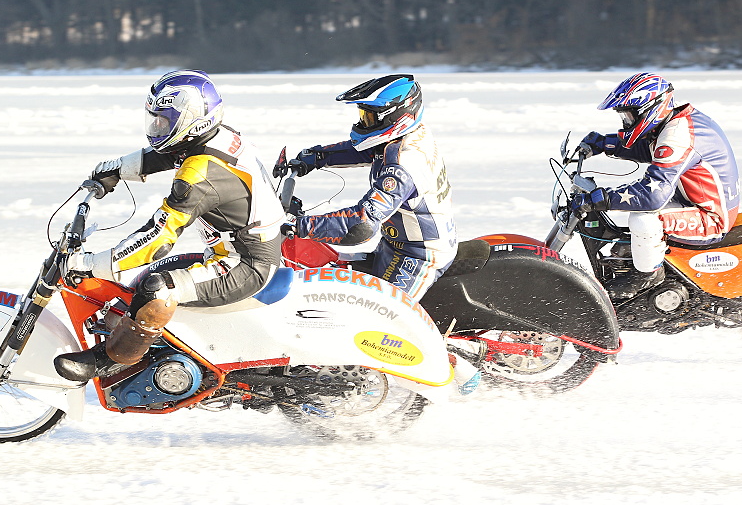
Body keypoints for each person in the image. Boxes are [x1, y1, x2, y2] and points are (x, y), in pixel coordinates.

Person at [54, 69, 285, 382]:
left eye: (164, 121)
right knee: (141, 281)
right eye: (155, 120)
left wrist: (92, 264)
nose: (157, 128)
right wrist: (117, 169)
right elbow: (169, 153)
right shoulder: (217, 137)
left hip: (244, 265)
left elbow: (158, 238)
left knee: (156, 288)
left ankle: (115, 359)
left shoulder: (201, 174)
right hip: (239, 250)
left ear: (192, 121)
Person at [283, 74, 458, 301]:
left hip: (419, 258)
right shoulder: (411, 134)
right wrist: (317, 156)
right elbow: (369, 149)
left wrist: (299, 226)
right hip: (396, 246)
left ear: (394, 116)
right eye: (363, 116)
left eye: (369, 118)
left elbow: (362, 223)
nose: (363, 123)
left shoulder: (403, 166)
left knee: (378, 313)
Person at [571, 72, 741, 299]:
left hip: (711, 218)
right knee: (637, 213)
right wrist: (605, 143)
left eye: (629, 116)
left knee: (644, 219)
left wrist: (601, 198)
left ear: (650, 109)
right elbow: (650, 150)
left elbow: (653, 195)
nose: (626, 122)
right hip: (694, 201)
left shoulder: (678, 135)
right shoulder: (675, 123)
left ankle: (648, 276)